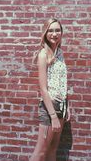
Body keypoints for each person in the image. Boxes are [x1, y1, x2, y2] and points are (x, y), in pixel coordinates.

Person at [29, 18, 70, 161]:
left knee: (53, 150)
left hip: (61, 106)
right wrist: (53, 116)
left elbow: (61, 82)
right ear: (45, 33)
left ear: (62, 32)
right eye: (50, 30)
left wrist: (66, 107)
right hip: (49, 108)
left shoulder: (59, 53)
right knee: (40, 153)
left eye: (57, 30)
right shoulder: (43, 54)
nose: (54, 34)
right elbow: (43, 89)